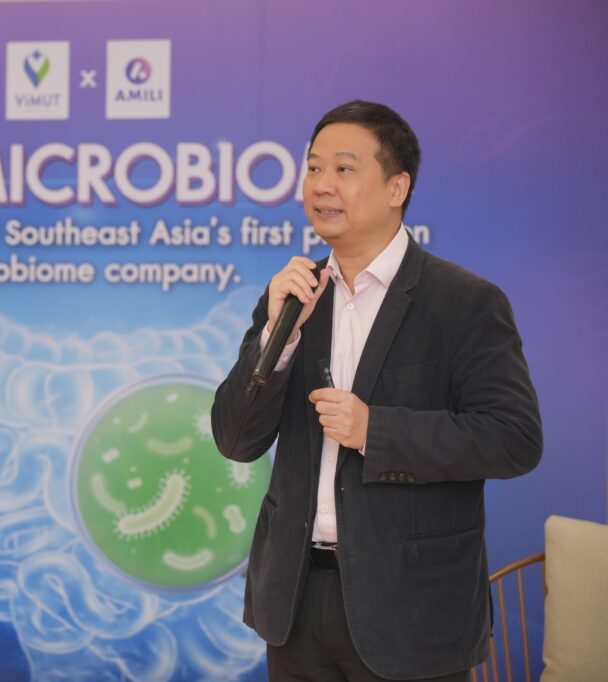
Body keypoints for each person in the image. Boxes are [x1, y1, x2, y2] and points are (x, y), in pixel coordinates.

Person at [211, 100, 542, 681]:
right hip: (295, 604)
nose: (321, 185)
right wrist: (276, 338)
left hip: (412, 610)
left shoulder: (464, 302)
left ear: (397, 187)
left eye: (343, 168)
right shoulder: (294, 297)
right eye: (314, 168)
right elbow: (236, 440)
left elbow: (514, 438)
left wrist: (375, 430)